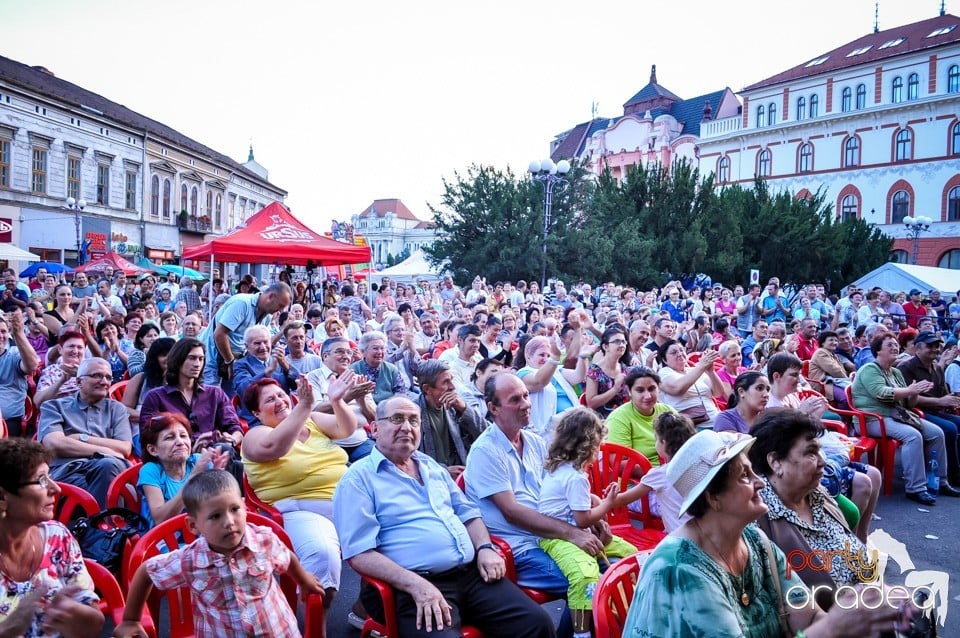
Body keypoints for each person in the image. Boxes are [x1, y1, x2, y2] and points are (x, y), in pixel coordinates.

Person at [621, 429, 907, 637]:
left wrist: (862, 615)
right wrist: (834, 627)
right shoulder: (682, 569)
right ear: (713, 498)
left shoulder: (756, 542)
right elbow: (822, 627)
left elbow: (806, 614)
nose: (760, 482)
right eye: (745, 476)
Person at [335, 394, 556, 638]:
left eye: (414, 420)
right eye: (397, 419)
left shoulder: (430, 466)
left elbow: (469, 514)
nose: (407, 427)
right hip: (409, 586)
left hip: (471, 576)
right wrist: (416, 585)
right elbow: (360, 553)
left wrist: (485, 547)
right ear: (375, 428)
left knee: (537, 624)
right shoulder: (358, 479)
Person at [115, 470, 323, 638]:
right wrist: (131, 619)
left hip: (277, 630)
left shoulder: (264, 540)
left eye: (234, 509)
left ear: (244, 506)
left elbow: (287, 559)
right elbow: (147, 571)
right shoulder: (190, 560)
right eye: (215, 516)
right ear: (193, 525)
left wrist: (304, 581)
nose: (229, 522)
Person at [465, 373, 605, 618]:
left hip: (551, 535)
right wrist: (572, 532)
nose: (526, 404)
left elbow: (556, 490)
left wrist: (590, 514)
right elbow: (512, 512)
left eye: (526, 396)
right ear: (493, 408)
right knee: (595, 584)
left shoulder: (533, 441)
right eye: (515, 400)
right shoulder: (485, 451)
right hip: (521, 546)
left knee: (619, 567)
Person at [242, 375, 359, 615]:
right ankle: (317, 628)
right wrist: (304, 406)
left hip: (349, 502)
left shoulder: (313, 420)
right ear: (257, 413)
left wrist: (336, 400)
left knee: (395, 537)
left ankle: (368, 608)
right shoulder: (255, 435)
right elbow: (274, 447)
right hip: (303, 510)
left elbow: (347, 428)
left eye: (281, 395)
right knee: (323, 556)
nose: (279, 400)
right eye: (270, 399)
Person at [749, 409, 872, 609]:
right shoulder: (757, 520)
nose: (823, 461)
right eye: (811, 452)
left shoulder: (819, 495)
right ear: (775, 462)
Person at [537, 408, 637, 638]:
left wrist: (593, 500)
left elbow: (575, 504)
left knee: (629, 553)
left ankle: (630, 610)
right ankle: (581, 632)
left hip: (575, 530)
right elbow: (584, 518)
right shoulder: (575, 476)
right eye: (598, 445)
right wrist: (607, 503)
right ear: (588, 445)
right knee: (585, 575)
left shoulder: (563, 468)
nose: (600, 450)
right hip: (558, 539)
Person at [0, 438, 105, 638]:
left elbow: (95, 623)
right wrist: (8, 630)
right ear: (3, 497)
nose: (55, 489)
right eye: (41, 480)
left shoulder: (58, 538)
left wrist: (75, 615)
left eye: (50, 477)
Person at [851, 333, 958, 505]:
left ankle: (941, 481)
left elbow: (907, 403)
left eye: (896, 345)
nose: (895, 348)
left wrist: (914, 393)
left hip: (896, 415)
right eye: (889, 345)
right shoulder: (869, 369)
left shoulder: (894, 372)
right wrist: (910, 390)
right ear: (878, 350)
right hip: (872, 419)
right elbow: (882, 394)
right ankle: (916, 488)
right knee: (912, 436)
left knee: (937, 433)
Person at [38, 357, 132, 506]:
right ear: (78, 382)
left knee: (108, 468)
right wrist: (106, 450)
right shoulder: (53, 406)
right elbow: (54, 444)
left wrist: (81, 438)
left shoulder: (116, 408)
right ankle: (105, 526)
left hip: (106, 470)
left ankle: (97, 527)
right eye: (96, 376)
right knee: (110, 475)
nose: (104, 382)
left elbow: (125, 448)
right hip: (66, 472)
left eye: (108, 377)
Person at [137, 411, 229, 525]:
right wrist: (194, 477)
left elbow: (221, 507)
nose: (180, 442)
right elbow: (160, 519)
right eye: (169, 438)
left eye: (183, 436)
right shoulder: (150, 471)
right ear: (153, 450)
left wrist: (218, 477)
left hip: (202, 532)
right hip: (165, 540)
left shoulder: (197, 460)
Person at [202, 282, 292, 395]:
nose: (282, 311)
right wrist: (230, 361)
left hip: (231, 362)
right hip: (212, 360)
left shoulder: (267, 316)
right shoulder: (242, 303)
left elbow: (264, 342)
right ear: (270, 297)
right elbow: (219, 334)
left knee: (228, 402)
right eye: (280, 306)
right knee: (210, 401)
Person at [615, 412, 697, 532]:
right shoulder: (698, 466)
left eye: (656, 439)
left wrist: (599, 502)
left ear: (663, 443)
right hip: (703, 532)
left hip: (680, 537)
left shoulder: (660, 474)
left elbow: (623, 500)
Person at [897, 331, 960, 486]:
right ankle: (952, 475)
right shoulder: (906, 367)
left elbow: (943, 393)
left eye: (936, 346)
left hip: (936, 410)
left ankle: (956, 467)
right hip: (915, 412)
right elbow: (909, 398)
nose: (934, 349)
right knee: (950, 428)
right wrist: (940, 401)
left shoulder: (937, 368)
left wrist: (951, 401)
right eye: (929, 346)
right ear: (917, 349)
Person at [305, 336, 378, 462]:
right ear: (325, 356)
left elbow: (374, 417)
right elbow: (314, 412)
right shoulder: (313, 378)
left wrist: (361, 401)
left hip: (360, 440)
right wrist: (349, 396)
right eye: (340, 351)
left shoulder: (357, 379)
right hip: (327, 442)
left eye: (348, 352)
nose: (346, 356)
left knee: (381, 464)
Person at [414, 360, 486, 480]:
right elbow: (409, 458)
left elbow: (485, 433)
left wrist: (464, 409)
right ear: (427, 389)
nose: (452, 387)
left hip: (463, 474)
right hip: (431, 479)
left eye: (451, 380)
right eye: (445, 382)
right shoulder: (413, 413)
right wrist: (442, 470)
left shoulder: (456, 405)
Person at [515, 332, 586, 442]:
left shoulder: (556, 371)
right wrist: (554, 359)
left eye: (548, 355)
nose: (546, 359)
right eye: (541, 355)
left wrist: (583, 356)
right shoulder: (523, 373)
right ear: (528, 356)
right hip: (546, 434)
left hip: (572, 424)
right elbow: (539, 382)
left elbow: (578, 377)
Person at [605, 366, 676, 467]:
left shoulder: (668, 411)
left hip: (673, 469)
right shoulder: (619, 418)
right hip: (642, 479)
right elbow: (618, 463)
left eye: (652, 389)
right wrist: (657, 472)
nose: (647, 396)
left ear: (659, 388)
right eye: (640, 390)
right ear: (629, 391)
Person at [232, 325, 300, 426]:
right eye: (257, 343)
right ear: (247, 347)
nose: (263, 347)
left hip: (288, 415)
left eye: (265, 342)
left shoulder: (279, 360)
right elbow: (243, 389)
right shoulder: (241, 364)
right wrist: (267, 372)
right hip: (260, 421)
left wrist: (285, 365)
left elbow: (297, 384)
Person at [656, 339, 724, 429]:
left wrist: (711, 372)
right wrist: (701, 366)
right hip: (689, 427)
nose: (680, 354)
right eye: (674, 352)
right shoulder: (664, 372)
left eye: (681, 350)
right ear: (665, 360)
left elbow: (718, 393)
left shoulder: (693, 370)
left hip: (716, 420)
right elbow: (677, 388)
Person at [0, 311, 40, 436]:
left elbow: (32, 365)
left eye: (3, 331)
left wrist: (18, 334)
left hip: (9, 421)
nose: (0, 336)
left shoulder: (14, 354)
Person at [584, 326, 631, 417]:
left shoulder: (625, 368)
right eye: (617, 342)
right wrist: (615, 389)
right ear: (605, 347)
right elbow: (591, 403)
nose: (621, 345)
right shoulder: (595, 370)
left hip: (623, 416)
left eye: (623, 341)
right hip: (601, 419)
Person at [34, 330, 88, 406]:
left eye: (79, 347)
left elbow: (102, 397)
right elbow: (38, 402)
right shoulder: (50, 371)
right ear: (60, 349)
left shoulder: (91, 369)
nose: (75, 351)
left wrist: (82, 376)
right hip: (56, 413)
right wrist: (62, 380)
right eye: (71, 346)